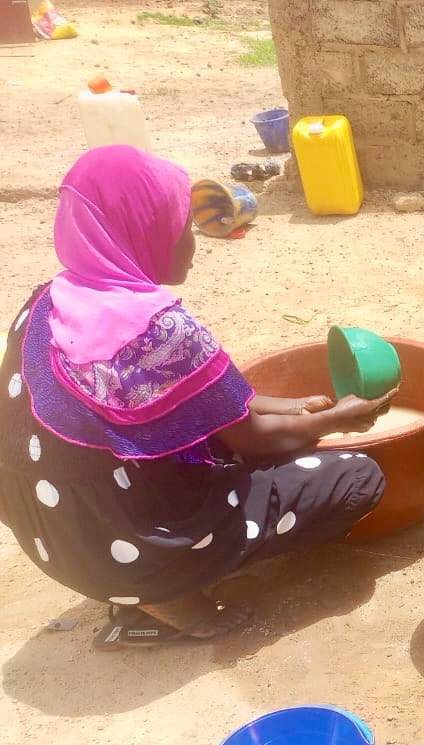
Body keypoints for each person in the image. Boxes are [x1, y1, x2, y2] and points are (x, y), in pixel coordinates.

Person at [0, 146, 392, 644]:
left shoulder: (44, 304)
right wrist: (337, 420)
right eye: (179, 225)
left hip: (53, 539)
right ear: (140, 229)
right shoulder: (157, 328)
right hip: (131, 547)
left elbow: (209, 402)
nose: (190, 240)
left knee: (207, 441)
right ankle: (169, 592)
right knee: (356, 478)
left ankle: (136, 581)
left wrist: (295, 406)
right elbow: (255, 440)